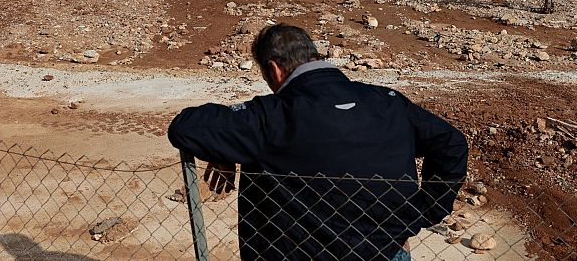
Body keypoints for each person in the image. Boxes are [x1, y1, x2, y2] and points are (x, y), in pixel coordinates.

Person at [168, 24, 468, 260]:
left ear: (274, 69)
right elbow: (451, 143)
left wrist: (226, 148)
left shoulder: (272, 116)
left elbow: (185, 126)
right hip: (386, 251)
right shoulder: (388, 103)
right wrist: (426, 210)